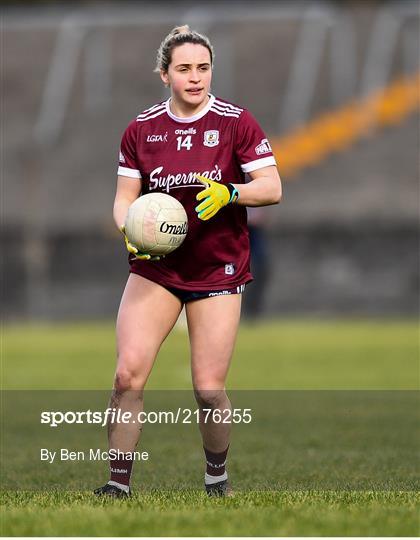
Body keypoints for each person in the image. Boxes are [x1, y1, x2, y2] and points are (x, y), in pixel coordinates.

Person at [94, 25, 282, 498]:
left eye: (203, 68)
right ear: (164, 74)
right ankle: (118, 487)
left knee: (208, 388)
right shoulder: (142, 129)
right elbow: (124, 200)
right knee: (126, 374)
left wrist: (231, 192)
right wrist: (130, 230)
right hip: (156, 269)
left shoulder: (237, 122)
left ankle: (216, 480)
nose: (195, 78)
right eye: (184, 69)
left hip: (217, 268)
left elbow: (272, 187)